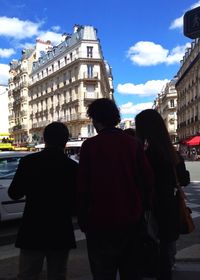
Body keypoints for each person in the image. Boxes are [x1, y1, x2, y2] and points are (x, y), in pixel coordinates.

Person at [77, 98, 154, 280]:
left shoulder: (89, 146)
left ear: (95, 120)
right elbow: (147, 180)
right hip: (131, 220)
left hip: (99, 222)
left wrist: (83, 218)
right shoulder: (133, 144)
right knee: (131, 272)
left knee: (103, 273)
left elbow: (82, 186)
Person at [8, 122, 78, 280]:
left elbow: (14, 193)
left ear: (44, 139)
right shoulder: (72, 167)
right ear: (65, 141)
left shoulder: (29, 162)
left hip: (33, 228)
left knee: (28, 274)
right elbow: (77, 203)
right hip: (60, 229)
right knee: (58, 274)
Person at [135, 109, 181, 280]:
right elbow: (182, 179)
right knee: (166, 253)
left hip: (153, 208)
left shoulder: (148, 154)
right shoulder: (170, 152)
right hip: (169, 206)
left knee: (155, 251)